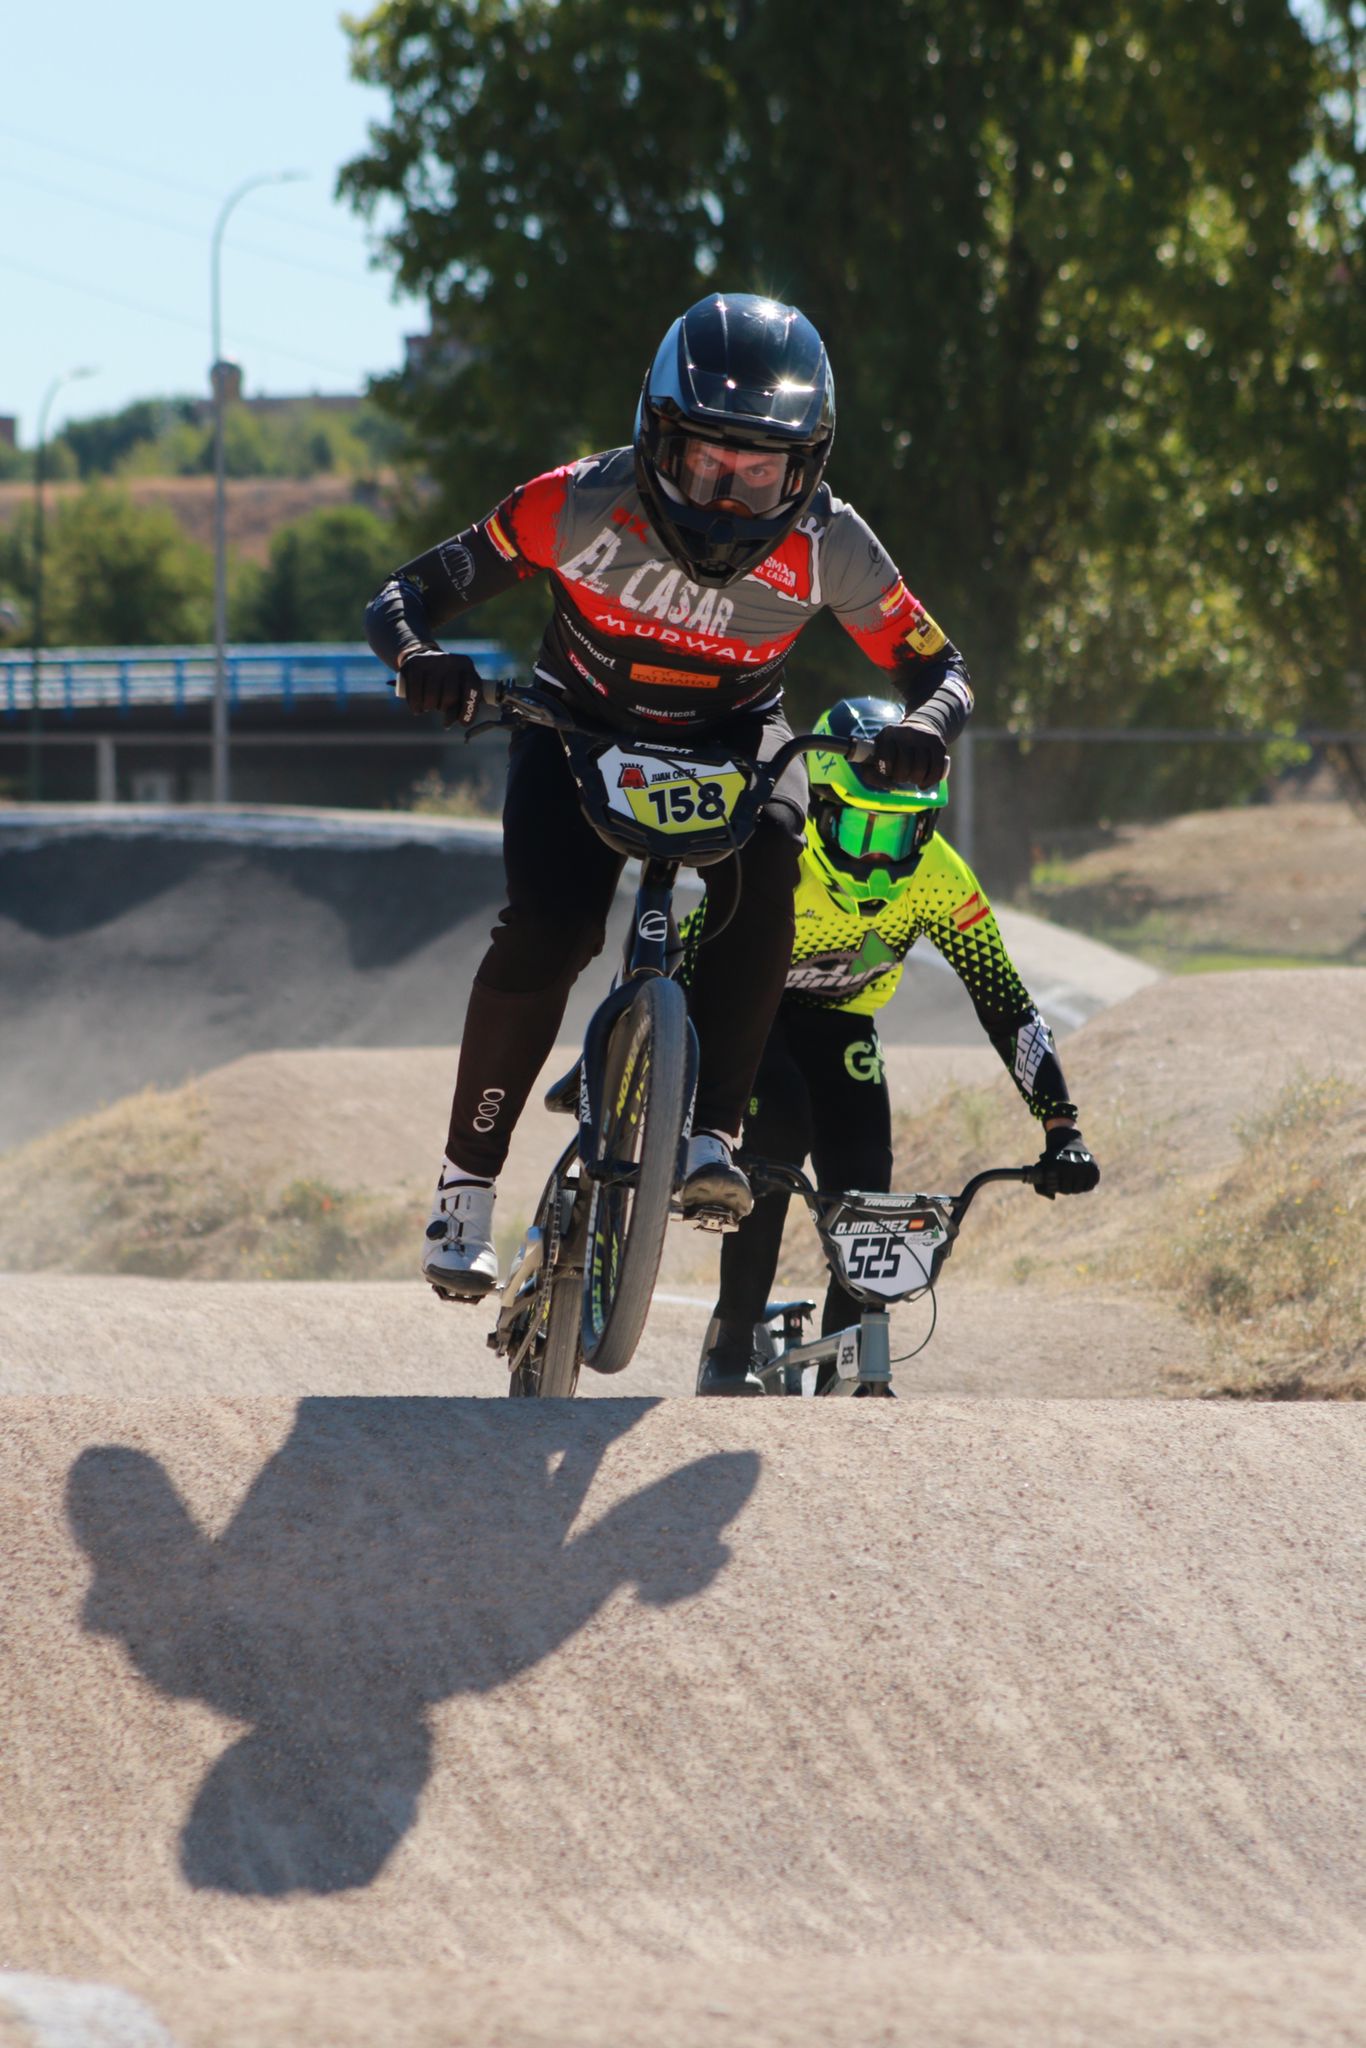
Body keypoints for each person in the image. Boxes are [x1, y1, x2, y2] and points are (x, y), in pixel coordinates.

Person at [365, 294, 975, 1301]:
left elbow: (940, 666)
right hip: (577, 723)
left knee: (772, 860)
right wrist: (421, 657)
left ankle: (711, 1136)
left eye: (760, 471)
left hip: (733, 738)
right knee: (550, 929)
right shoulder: (570, 502)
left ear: (807, 467)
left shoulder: (835, 544)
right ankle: (464, 1186)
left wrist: (926, 725)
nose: (728, 497)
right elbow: (402, 595)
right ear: (655, 437)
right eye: (703, 462)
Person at [688, 697, 1101, 1395]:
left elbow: (1005, 1004)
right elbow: (686, 956)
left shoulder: (939, 878)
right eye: (859, 826)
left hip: (842, 1021)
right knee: (778, 1124)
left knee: (865, 1179)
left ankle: (853, 1355)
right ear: (818, 807)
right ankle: (730, 1337)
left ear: (928, 827)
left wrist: (1062, 1126)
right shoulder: (780, 854)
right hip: (747, 1015)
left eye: (900, 833)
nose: (879, 857)